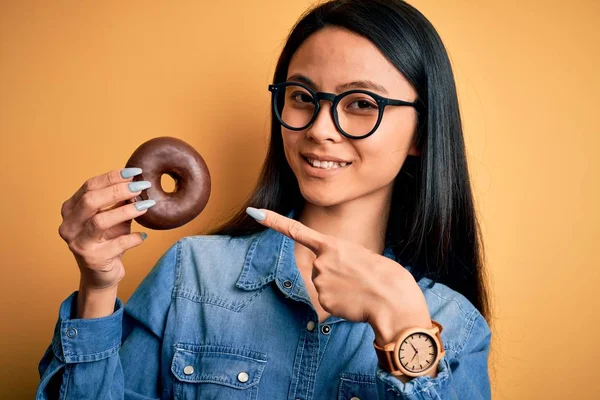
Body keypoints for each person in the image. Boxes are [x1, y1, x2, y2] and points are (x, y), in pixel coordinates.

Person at [37, 0, 492, 398]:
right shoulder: (192, 273)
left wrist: (404, 332)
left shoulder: (455, 324)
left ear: (422, 132)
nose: (318, 128)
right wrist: (96, 290)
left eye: (361, 104)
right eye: (302, 96)